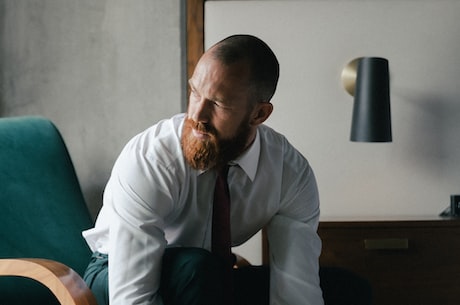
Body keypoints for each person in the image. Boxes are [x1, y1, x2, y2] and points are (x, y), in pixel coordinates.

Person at [82, 34, 324, 305]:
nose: (197, 115)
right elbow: (132, 298)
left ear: (259, 115)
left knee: (345, 287)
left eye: (218, 104)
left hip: (208, 278)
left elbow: (296, 288)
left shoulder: (289, 174)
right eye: (195, 92)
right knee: (199, 270)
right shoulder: (152, 159)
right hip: (114, 272)